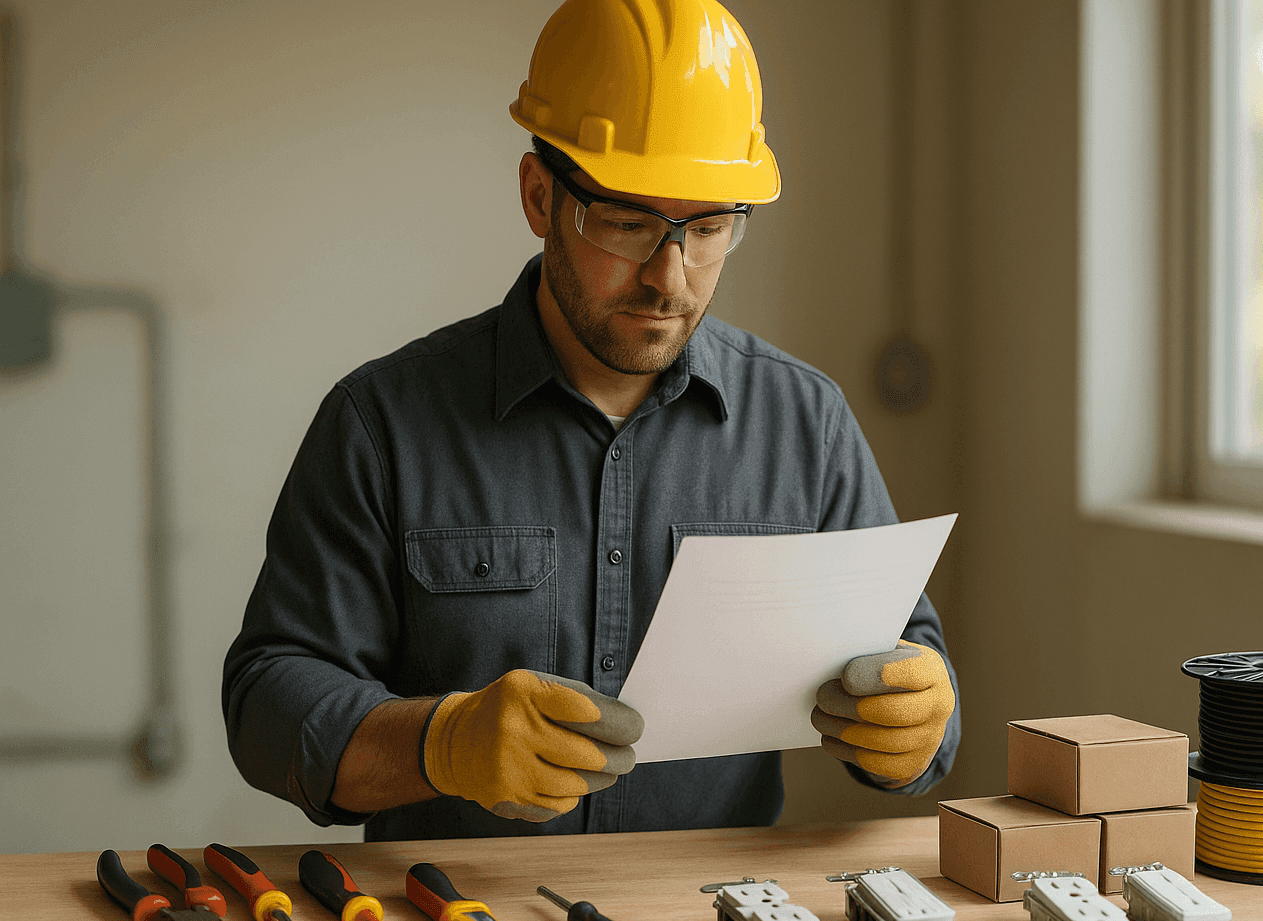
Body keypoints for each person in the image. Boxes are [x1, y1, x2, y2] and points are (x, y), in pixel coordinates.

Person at [222, 0, 960, 841]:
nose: (669, 276)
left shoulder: (806, 423)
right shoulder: (381, 425)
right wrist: (441, 744)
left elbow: (913, 668)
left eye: (710, 227)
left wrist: (917, 721)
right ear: (541, 197)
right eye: (627, 222)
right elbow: (266, 703)